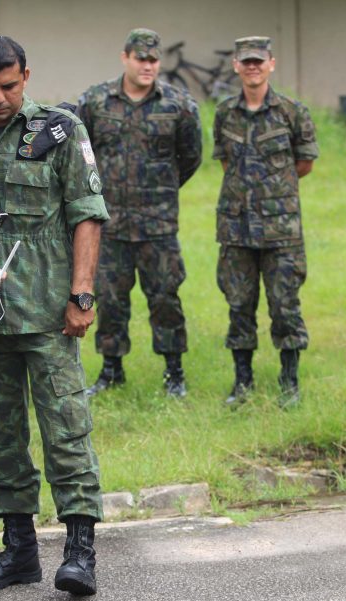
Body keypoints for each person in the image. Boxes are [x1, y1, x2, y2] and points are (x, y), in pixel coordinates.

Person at [0, 36, 109, 596]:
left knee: (66, 429)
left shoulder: (60, 130)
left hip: (48, 311)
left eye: (10, 86)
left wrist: (82, 294)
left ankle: (80, 550)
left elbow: (87, 214)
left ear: (27, 76)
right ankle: (19, 549)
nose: (0, 97)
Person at [79, 28, 203, 398]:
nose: (147, 66)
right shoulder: (97, 101)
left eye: (153, 59)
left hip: (158, 223)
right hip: (111, 222)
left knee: (165, 297)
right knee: (111, 299)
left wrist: (160, 189)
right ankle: (111, 370)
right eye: (140, 58)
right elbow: (81, 152)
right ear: (125, 58)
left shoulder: (178, 105)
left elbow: (191, 157)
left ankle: (174, 373)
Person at [213, 35, 318, 407]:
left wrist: (271, 192)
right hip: (236, 227)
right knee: (239, 304)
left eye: (259, 61)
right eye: (247, 62)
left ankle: (289, 381)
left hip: (281, 231)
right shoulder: (225, 112)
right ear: (236, 66)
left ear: (271, 63)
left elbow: (302, 164)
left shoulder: (292, 111)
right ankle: (242, 383)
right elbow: (226, 162)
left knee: (284, 304)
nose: (253, 67)